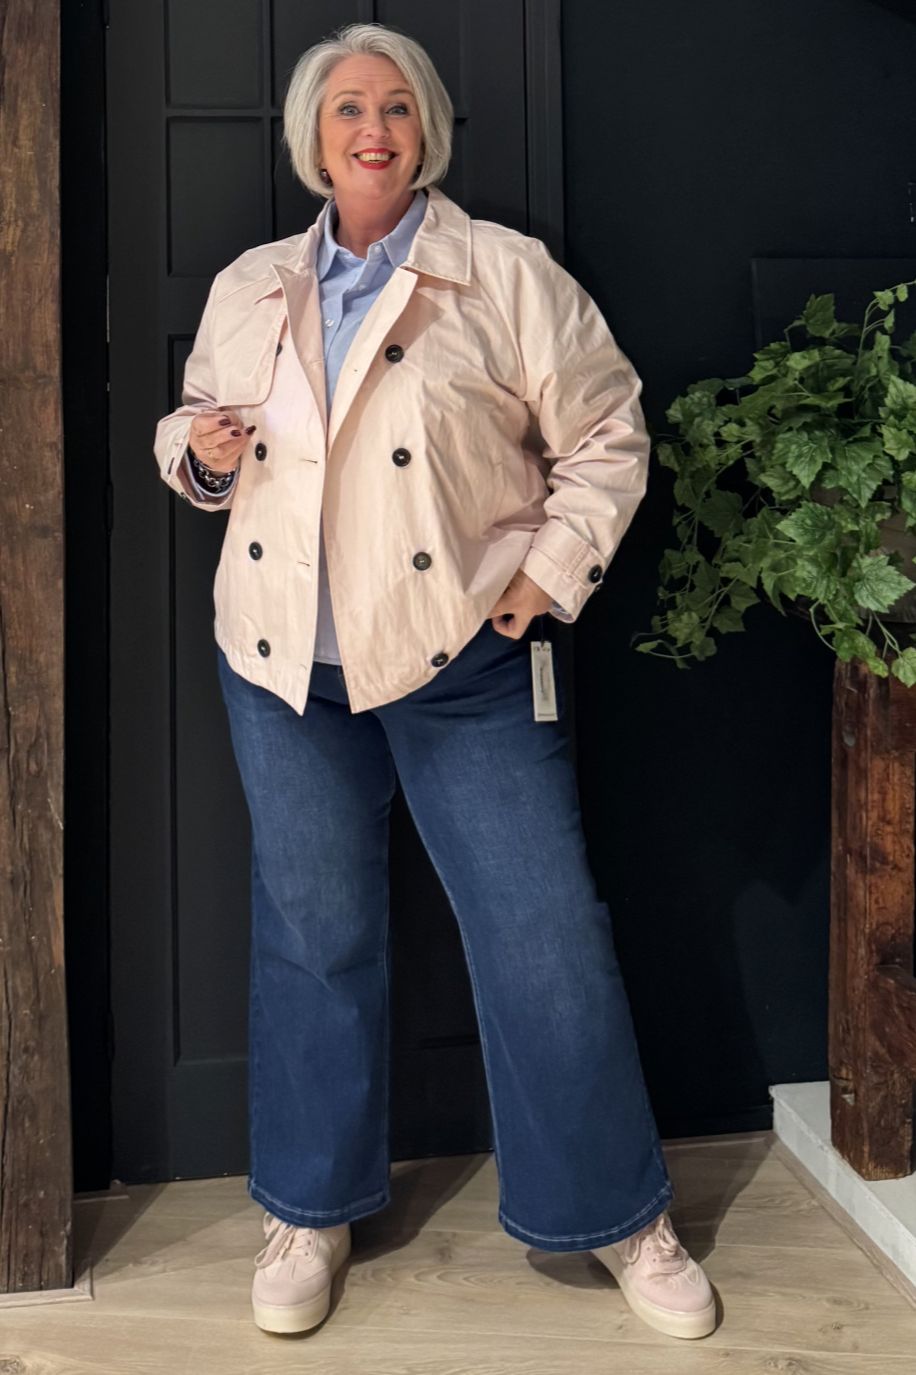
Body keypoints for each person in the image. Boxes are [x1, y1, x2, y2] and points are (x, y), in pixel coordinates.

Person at [153, 20, 718, 1344]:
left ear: (429, 132)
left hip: (464, 659)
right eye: (349, 106)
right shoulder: (252, 284)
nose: (374, 128)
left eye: (397, 107)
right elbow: (191, 427)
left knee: (543, 935)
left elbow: (609, 432)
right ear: (312, 135)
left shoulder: (504, 273)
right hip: (284, 667)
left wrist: (546, 579)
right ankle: (310, 1206)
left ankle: (618, 1210)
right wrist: (205, 452)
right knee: (314, 934)